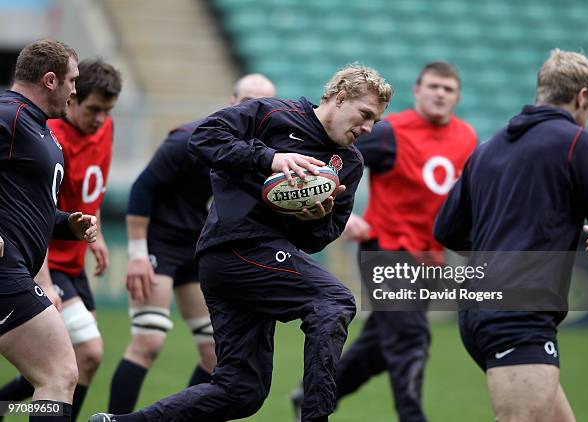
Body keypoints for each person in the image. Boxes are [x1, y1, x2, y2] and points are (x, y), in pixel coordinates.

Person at [89, 63, 393, 422]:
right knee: (334, 300)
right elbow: (203, 137)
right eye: (365, 114)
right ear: (340, 98)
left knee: (241, 390)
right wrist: (271, 158)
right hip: (234, 248)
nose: (368, 128)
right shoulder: (274, 114)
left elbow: (319, 239)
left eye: (375, 121)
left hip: (254, 262)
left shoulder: (350, 165)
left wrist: (313, 219)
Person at [292, 62, 477, 422]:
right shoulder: (391, 131)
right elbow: (336, 160)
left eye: (448, 89)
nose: (440, 93)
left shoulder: (467, 138)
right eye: (433, 86)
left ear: (457, 97)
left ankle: (310, 395)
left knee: (379, 347)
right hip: (386, 250)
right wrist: (345, 214)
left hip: (428, 260)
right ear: (418, 90)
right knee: (410, 337)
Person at [434, 49, 588, 421]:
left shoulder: (486, 150)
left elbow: (446, 230)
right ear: (581, 96)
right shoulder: (578, 144)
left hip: (481, 310)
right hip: (518, 315)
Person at [107, 73, 276, 414]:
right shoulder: (190, 137)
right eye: (248, 101)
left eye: (264, 105)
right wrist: (138, 253)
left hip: (196, 247)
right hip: (159, 242)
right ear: (232, 101)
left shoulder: (254, 152)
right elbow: (143, 188)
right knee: (148, 341)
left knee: (216, 353)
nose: (254, 109)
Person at [0, 58, 122, 421]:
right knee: (70, 364)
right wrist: (46, 281)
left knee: (69, 366)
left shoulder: (44, 131)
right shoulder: (22, 121)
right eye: (73, 83)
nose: (99, 118)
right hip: (36, 268)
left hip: (58, 262)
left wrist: (76, 225)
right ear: (53, 82)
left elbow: (37, 211)